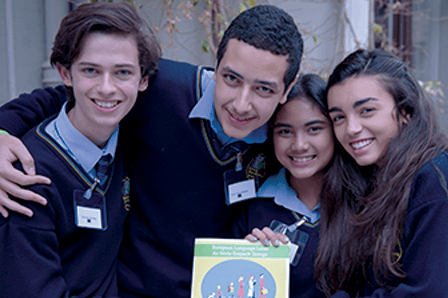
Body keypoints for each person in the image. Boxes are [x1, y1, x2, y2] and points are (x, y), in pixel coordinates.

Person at [0, 5, 303, 297]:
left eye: (264, 89)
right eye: (231, 79)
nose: (241, 103)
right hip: (132, 288)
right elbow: (67, 99)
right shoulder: (159, 90)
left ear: (286, 91)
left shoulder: (286, 134)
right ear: (216, 65)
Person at [0, 2, 161, 297]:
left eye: (123, 72)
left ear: (143, 80)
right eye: (91, 70)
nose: (106, 88)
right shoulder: (25, 177)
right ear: (65, 74)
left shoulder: (129, 137)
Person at [314, 49, 448, 297]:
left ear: (405, 110)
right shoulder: (369, 180)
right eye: (339, 117)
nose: (351, 129)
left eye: (367, 111)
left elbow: (431, 292)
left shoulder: (435, 179)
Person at [234, 74, 330, 298]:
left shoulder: (365, 202)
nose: (299, 145)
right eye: (285, 132)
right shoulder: (253, 206)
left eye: (314, 129)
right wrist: (248, 259)